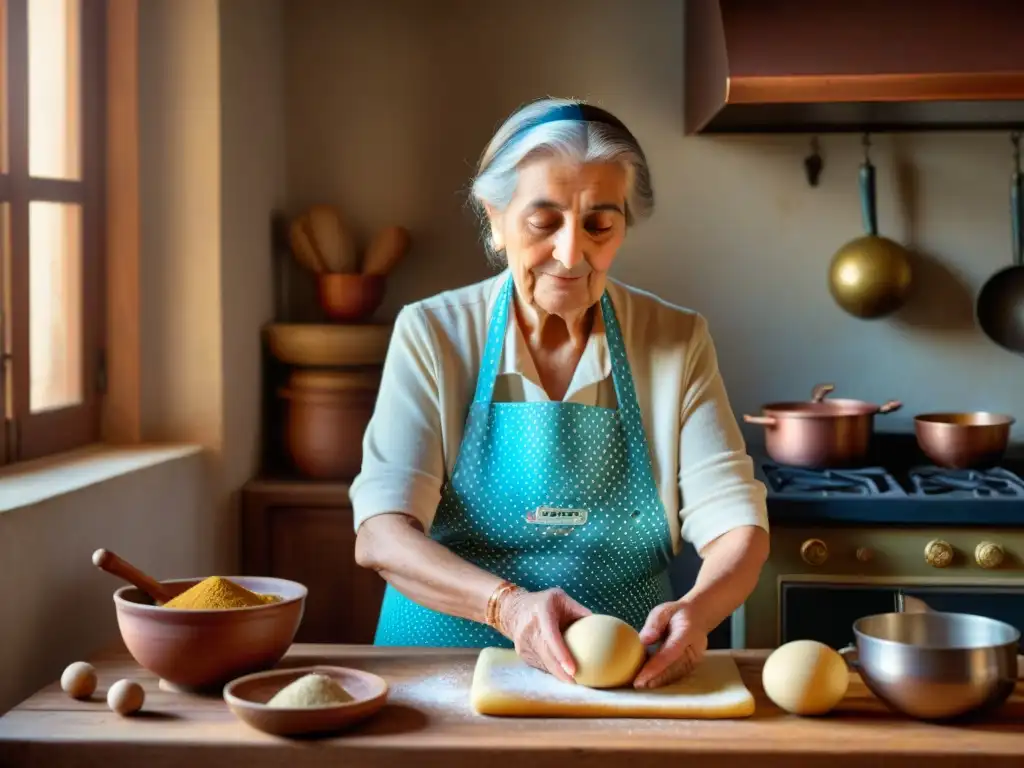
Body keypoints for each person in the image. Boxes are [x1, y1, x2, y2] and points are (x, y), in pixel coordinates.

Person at [350, 97, 769, 690]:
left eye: (600, 224)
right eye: (543, 222)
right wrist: (508, 607)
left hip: (623, 682)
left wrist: (698, 613)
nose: (572, 255)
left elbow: (737, 526)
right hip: (439, 672)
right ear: (494, 219)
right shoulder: (434, 333)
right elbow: (381, 534)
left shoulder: (676, 339)